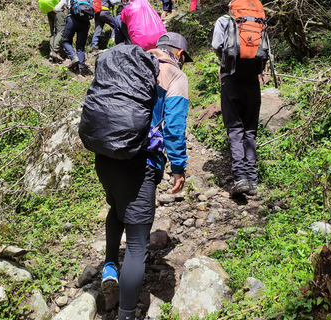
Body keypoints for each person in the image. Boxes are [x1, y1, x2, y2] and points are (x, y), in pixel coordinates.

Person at [96, 32, 192, 320]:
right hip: (140, 163)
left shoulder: (128, 62)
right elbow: (174, 127)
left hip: (105, 154)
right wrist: (178, 167)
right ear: (179, 53)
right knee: (138, 244)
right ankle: (127, 316)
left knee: (116, 208)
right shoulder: (175, 76)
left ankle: (110, 265)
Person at [211, 1, 264, 197]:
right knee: (250, 129)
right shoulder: (258, 21)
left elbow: (217, 45)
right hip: (252, 79)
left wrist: (226, 61)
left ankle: (240, 177)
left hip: (230, 77)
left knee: (235, 127)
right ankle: (252, 179)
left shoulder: (224, 20)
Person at [56, 0, 92, 74]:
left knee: (66, 41)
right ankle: (81, 67)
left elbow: (58, 8)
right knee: (80, 46)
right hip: (85, 22)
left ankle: (73, 57)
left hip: (72, 20)